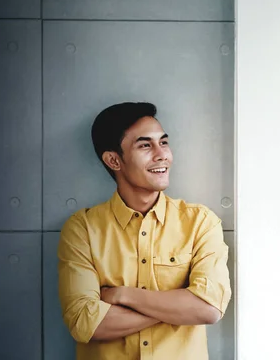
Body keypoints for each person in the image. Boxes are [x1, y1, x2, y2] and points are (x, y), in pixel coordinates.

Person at [57, 102, 231, 360]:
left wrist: (122, 295)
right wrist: (178, 308)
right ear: (114, 160)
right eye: (145, 145)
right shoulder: (82, 229)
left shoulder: (200, 223)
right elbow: (85, 323)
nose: (162, 155)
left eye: (163, 142)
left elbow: (209, 308)